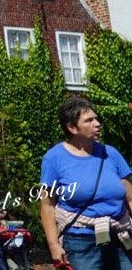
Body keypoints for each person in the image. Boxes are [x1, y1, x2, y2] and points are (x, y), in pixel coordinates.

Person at [40, 96, 132, 270]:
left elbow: (130, 197)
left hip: (119, 236)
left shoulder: (111, 154)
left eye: (96, 119)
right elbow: (47, 206)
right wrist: (53, 245)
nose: (97, 124)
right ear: (72, 128)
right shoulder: (54, 158)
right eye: (89, 120)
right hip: (81, 242)